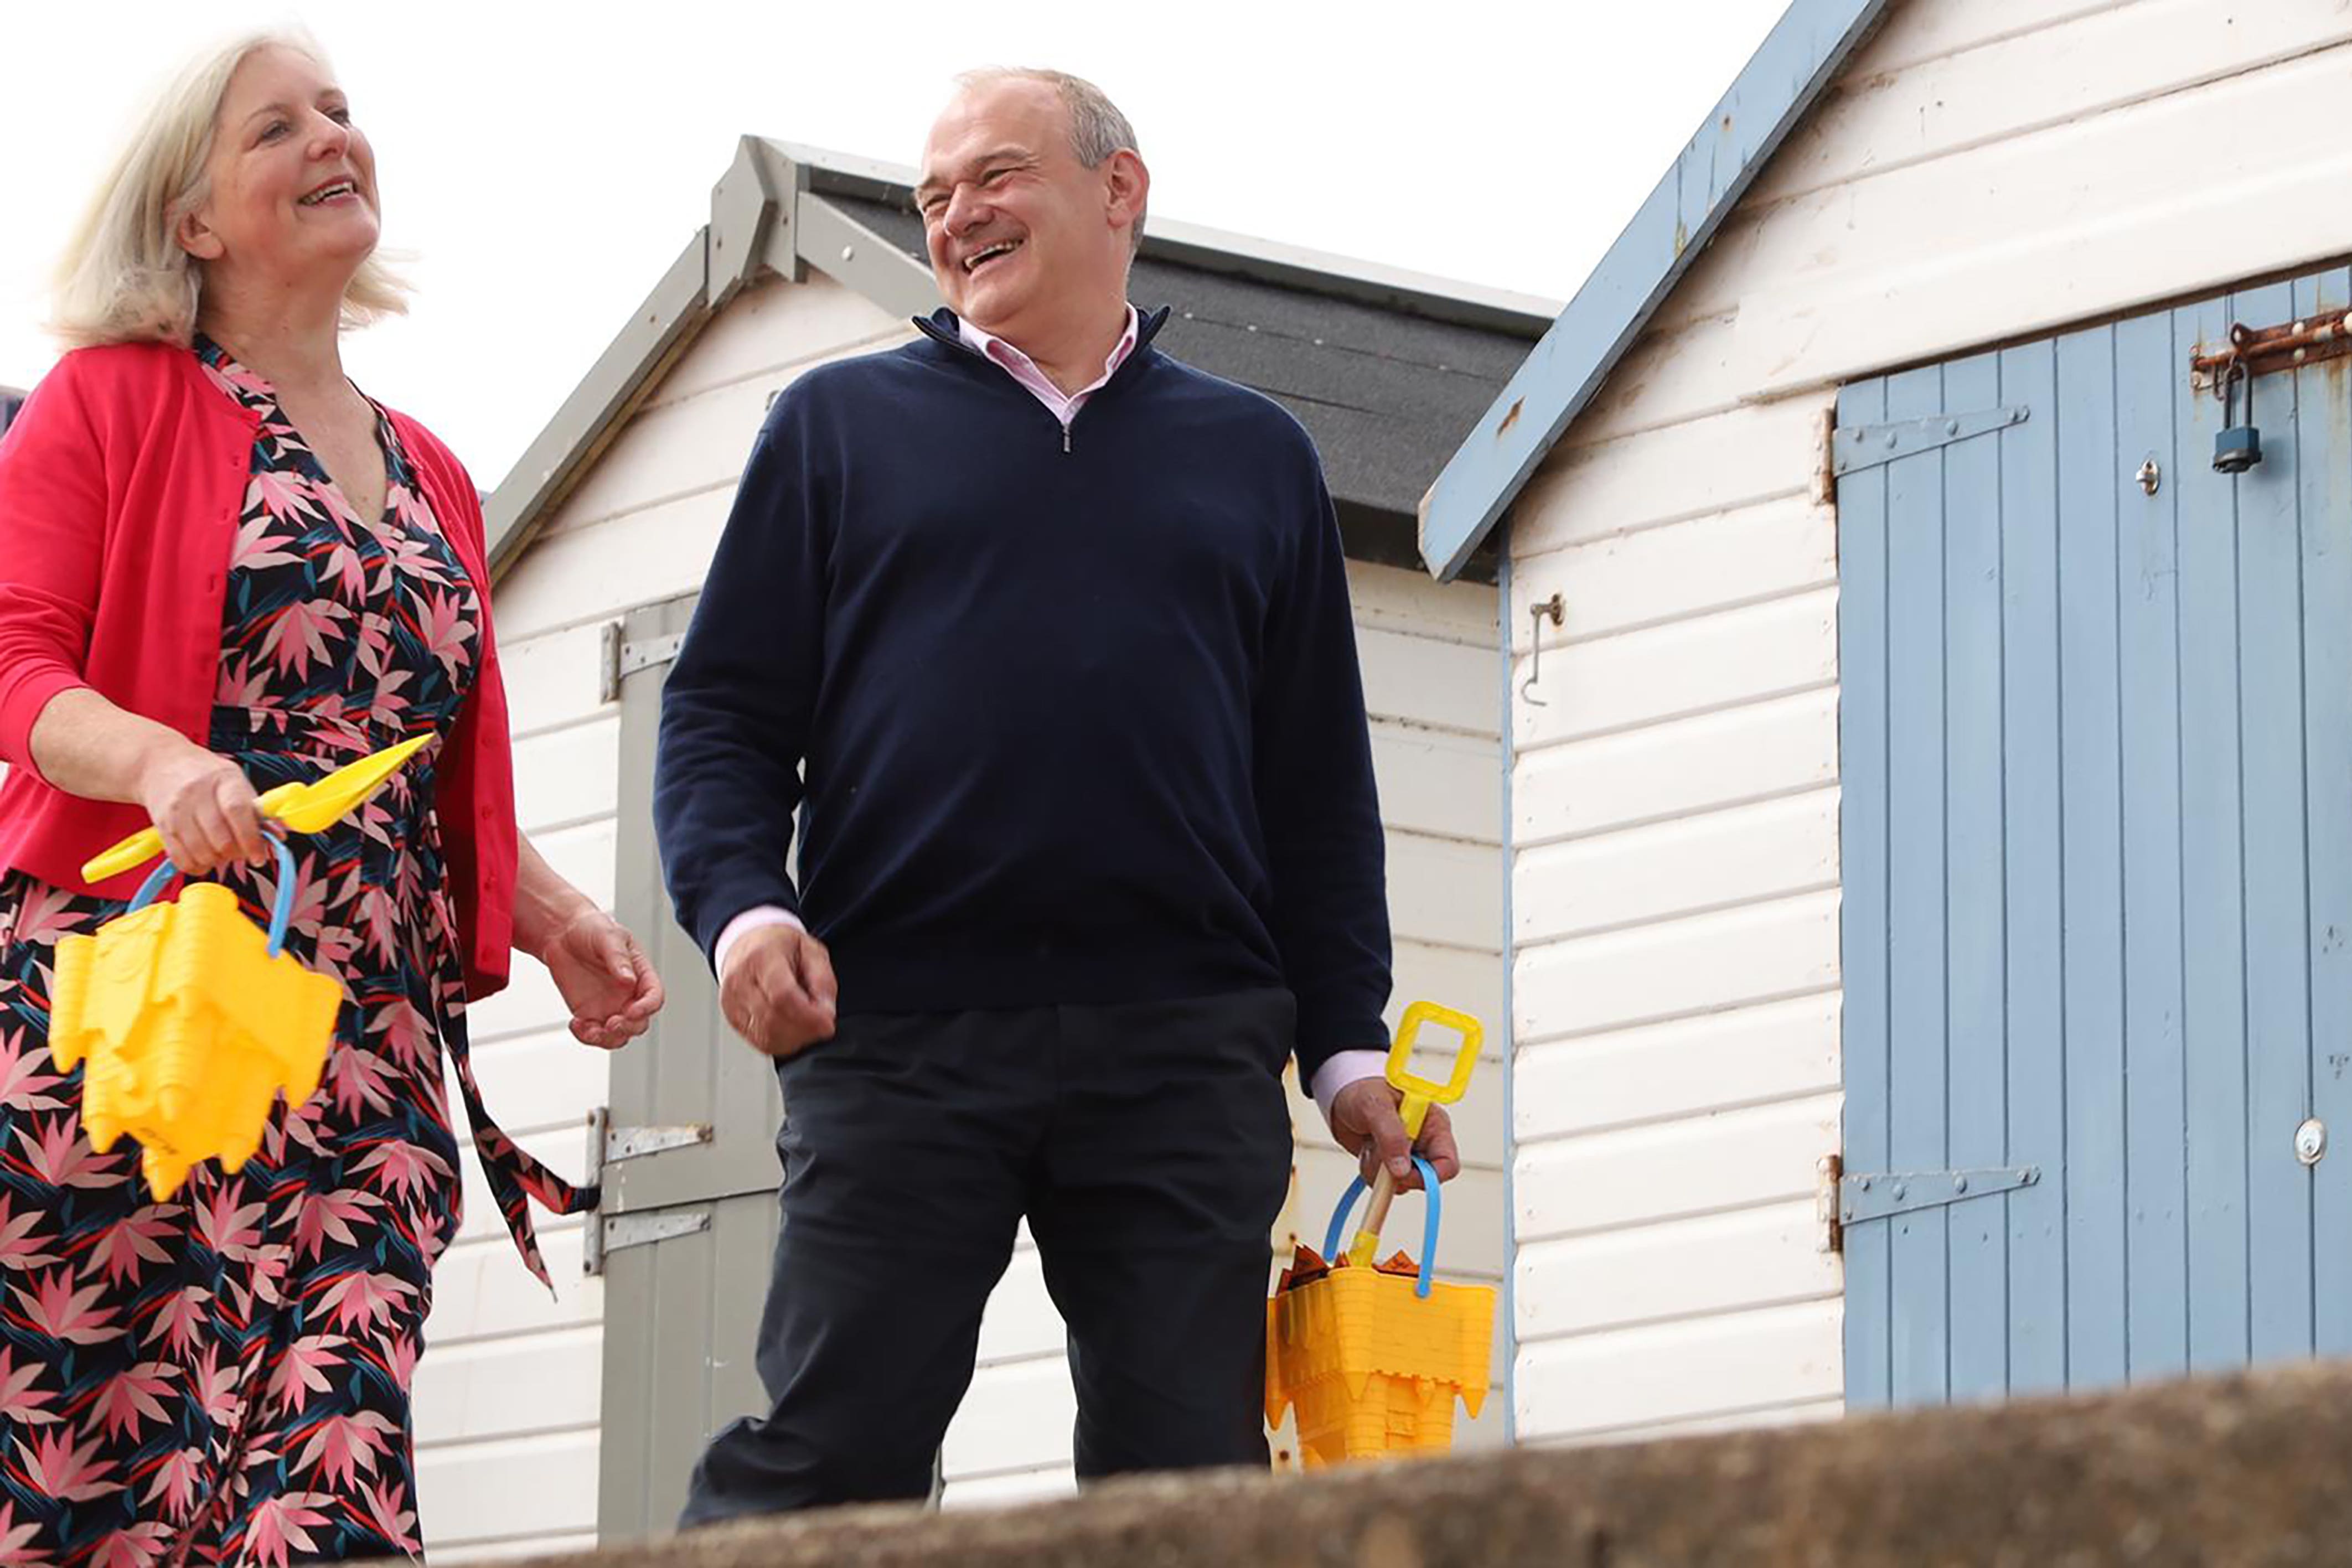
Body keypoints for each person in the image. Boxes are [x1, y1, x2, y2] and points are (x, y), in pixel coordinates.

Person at [655, 67, 1457, 1523]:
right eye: (933, 196)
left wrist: (1346, 1053)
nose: (957, 215)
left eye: (994, 177)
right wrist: (743, 910)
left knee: (1188, 1494)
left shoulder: (1257, 458)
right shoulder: (831, 431)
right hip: (894, 1031)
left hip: (1185, 1048)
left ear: (1119, 191)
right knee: (828, 1466)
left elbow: (1316, 790)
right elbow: (718, 709)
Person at [0, 30, 664, 1562]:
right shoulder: (107, 402)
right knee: (87, 1486)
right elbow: (22, 673)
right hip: (126, 1030)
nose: (331, 142)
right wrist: (164, 761)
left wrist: (550, 915)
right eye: (277, 129)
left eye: (343, 115)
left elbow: (415, 754)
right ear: (194, 219)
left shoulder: (431, 466)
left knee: (331, 1470)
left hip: (355, 1034)